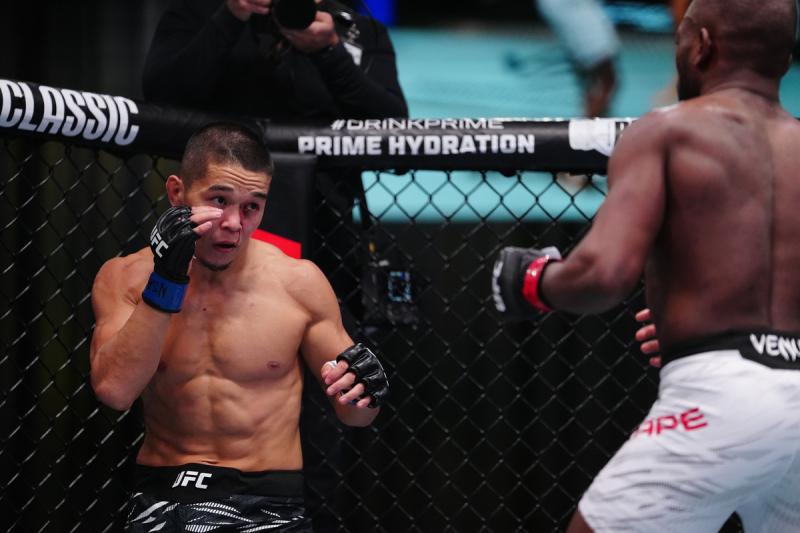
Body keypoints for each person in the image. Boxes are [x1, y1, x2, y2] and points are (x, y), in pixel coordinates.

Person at [492, 0, 800, 530]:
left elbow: (603, 273)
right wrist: (715, 325)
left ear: (701, 46)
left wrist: (532, 280)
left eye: (681, 36)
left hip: (723, 398)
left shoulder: (666, 131)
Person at [142, 3, 407, 527]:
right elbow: (160, 95)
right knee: (186, 388)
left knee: (326, 418)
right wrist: (231, 16)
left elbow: (395, 133)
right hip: (205, 247)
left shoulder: (351, 25)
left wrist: (329, 52)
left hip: (326, 246)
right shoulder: (202, 9)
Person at [89, 123, 389, 532]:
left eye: (251, 207)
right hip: (163, 498)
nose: (234, 222)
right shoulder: (124, 277)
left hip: (268, 507)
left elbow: (355, 416)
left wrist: (367, 390)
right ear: (177, 193)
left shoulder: (298, 283)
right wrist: (167, 278)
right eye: (219, 200)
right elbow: (114, 390)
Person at [535, 0, 620, 116]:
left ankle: (592, 119)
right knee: (605, 79)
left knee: (595, 81)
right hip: (573, 9)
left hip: (577, 10)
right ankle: (589, 121)